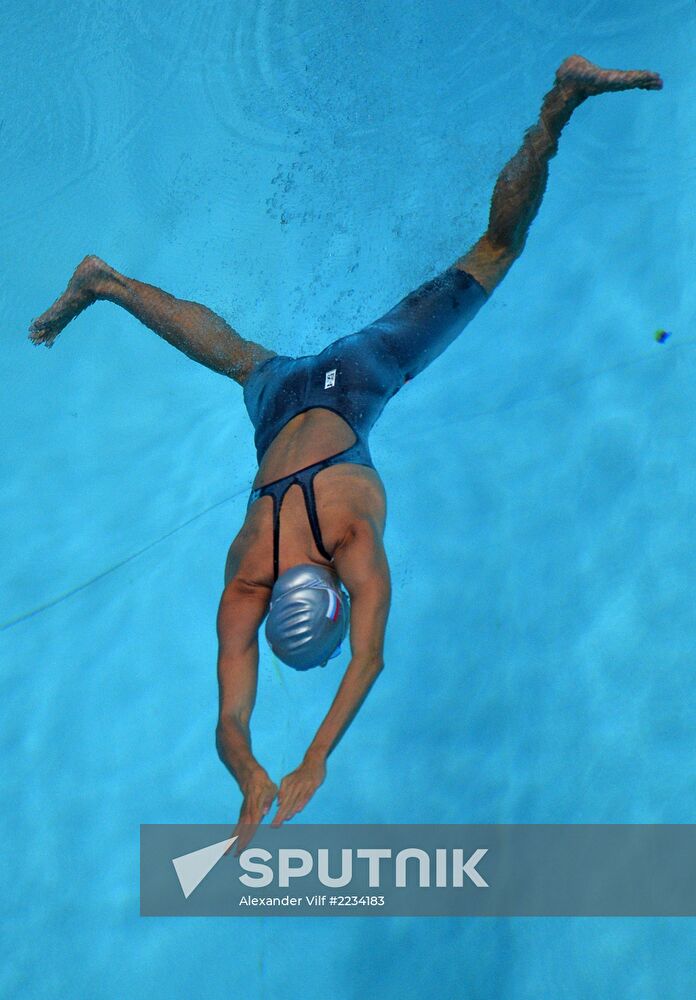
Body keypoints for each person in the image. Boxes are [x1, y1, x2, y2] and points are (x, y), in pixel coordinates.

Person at [28, 55, 662, 849]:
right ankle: (107, 284)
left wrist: (315, 759)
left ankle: (560, 103)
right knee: (238, 359)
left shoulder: (353, 544)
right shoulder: (246, 573)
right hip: (281, 399)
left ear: (330, 593)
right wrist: (250, 772)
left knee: (497, 249)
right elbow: (229, 720)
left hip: (355, 381)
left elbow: (368, 661)